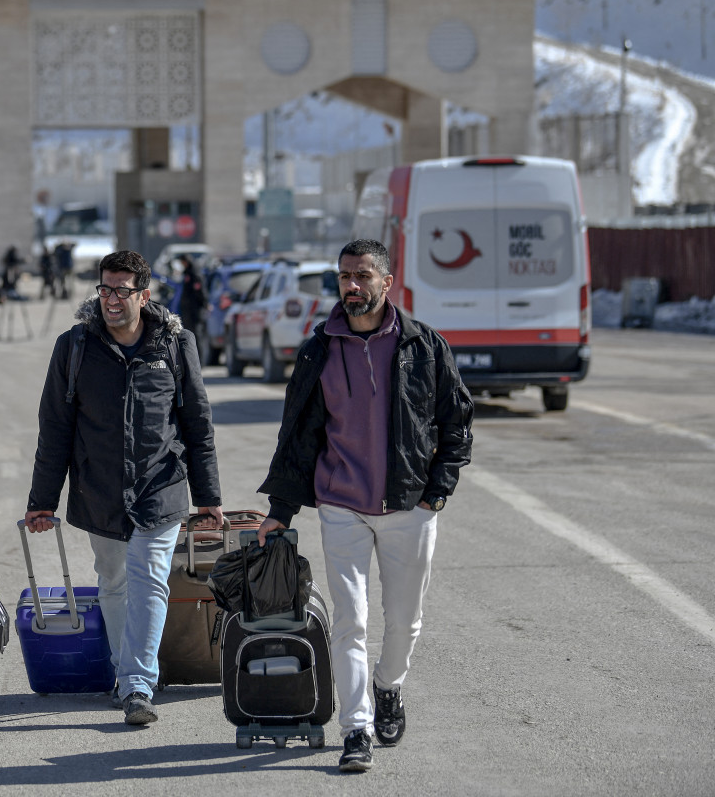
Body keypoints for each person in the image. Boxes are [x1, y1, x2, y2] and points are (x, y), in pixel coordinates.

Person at [255, 239, 474, 774]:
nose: (352, 285)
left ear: (386, 282)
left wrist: (436, 492)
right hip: (342, 505)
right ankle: (357, 728)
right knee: (350, 620)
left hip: (409, 505)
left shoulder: (424, 345)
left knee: (405, 620)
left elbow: (457, 422)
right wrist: (281, 508)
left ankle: (388, 685)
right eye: (344, 276)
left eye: (363, 275)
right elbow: (298, 435)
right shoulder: (319, 349)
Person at [26, 250, 223, 726]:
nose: (111, 299)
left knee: (150, 578)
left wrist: (208, 497)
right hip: (100, 488)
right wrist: (42, 501)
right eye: (105, 289)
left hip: (161, 485)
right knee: (113, 581)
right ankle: (123, 671)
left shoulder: (175, 344)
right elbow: (55, 428)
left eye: (122, 290)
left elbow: (197, 424)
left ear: (144, 295)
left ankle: (137, 684)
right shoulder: (75, 347)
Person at [176, 255, 208, 335]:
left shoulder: (194, 274)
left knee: (195, 331)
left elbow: (199, 291)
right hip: (187, 308)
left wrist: (204, 303)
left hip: (193, 308)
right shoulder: (187, 273)